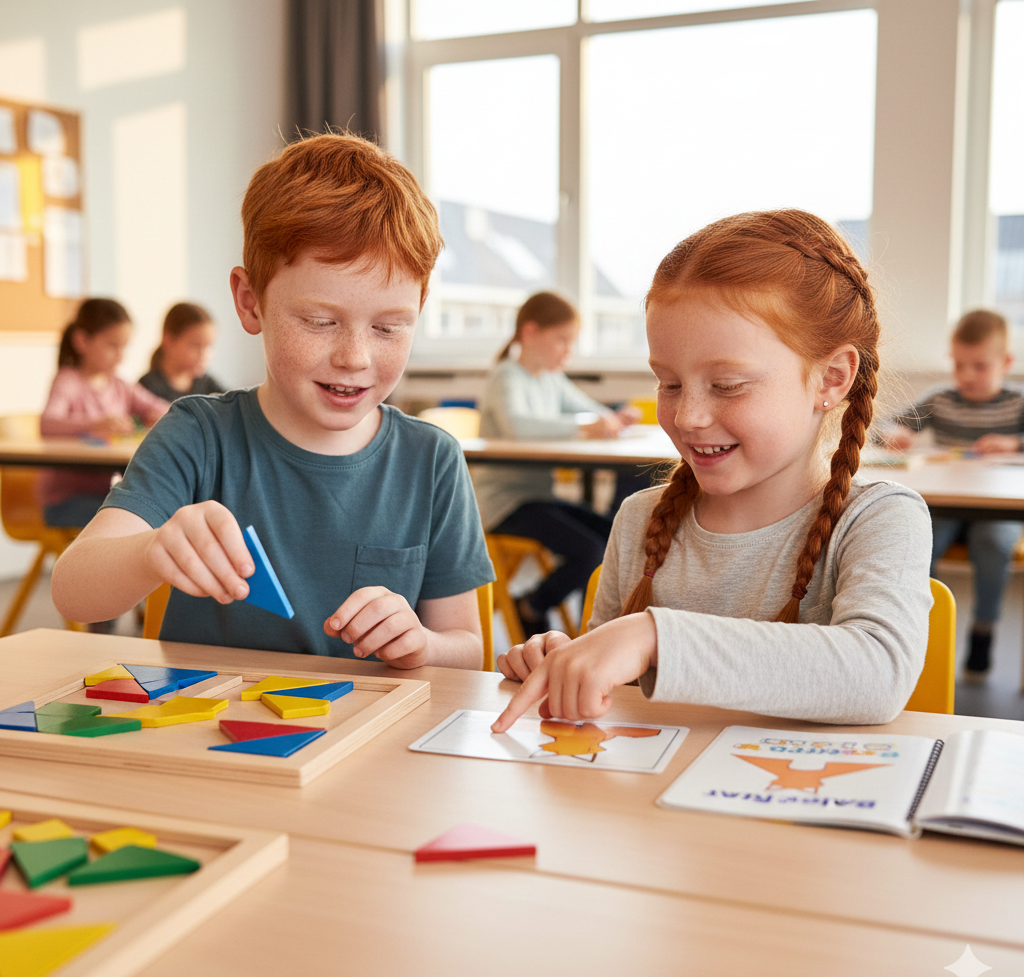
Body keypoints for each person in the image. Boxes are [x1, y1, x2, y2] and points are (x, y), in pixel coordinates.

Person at [52, 132, 493, 670]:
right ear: (249, 301)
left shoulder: (432, 460)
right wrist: (150, 552)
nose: (355, 357)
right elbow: (73, 591)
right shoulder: (198, 435)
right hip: (215, 738)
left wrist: (423, 645)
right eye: (319, 322)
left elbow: (468, 652)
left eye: (389, 327)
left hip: (370, 739)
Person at [491, 209, 933, 733]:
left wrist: (654, 637)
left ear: (831, 379)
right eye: (669, 384)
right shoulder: (640, 519)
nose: (686, 417)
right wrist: (571, 664)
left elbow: (876, 675)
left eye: (726, 385)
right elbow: (616, 695)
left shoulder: (881, 519)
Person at [475, 291, 640, 636]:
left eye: (572, 342)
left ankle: (591, 630)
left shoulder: (550, 379)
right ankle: (533, 604)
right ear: (531, 332)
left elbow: (587, 408)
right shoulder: (507, 376)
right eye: (561, 340)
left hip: (538, 499)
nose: (568, 350)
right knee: (591, 550)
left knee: (613, 536)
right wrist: (586, 427)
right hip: (505, 504)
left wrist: (612, 418)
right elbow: (518, 426)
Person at [884, 309, 1022, 674]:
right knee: (919, 539)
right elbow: (885, 422)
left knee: (993, 542)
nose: (966, 376)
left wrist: (1013, 443)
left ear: (1006, 363)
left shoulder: (1017, 403)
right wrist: (895, 435)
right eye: (959, 365)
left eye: (979, 366)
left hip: (996, 510)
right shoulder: (941, 399)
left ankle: (983, 630)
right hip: (945, 506)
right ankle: (926, 629)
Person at [38, 298, 169, 528]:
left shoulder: (119, 385)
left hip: (110, 496)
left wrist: (154, 416)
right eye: (112, 345)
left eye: (123, 347)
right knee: (143, 522)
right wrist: (95, 424)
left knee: (159, 512)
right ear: (82, 341)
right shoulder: (68, 381)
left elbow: (164, 408)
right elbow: (48, 423)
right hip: (67, 502)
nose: (120, 356)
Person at [138, 302, 225, 403]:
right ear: (168, 341)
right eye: (196, 345)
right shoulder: (148, 386)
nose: (204, 354)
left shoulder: (205, 382)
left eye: (209, 346)